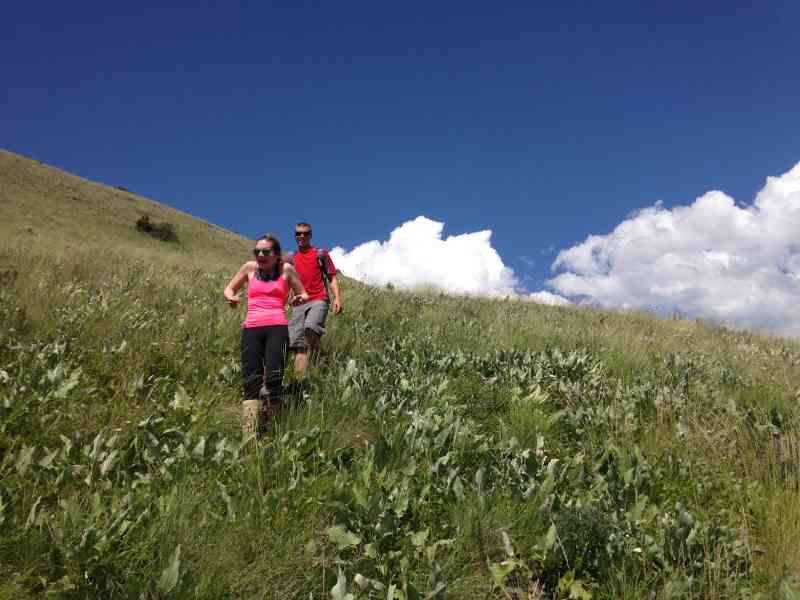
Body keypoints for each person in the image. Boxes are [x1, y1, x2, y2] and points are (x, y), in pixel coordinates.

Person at [224, 234, 309, 435]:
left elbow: (304, 293)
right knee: (251, 380)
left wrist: (298, 299)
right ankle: (249, 435)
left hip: (277, 328)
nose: (260, 255)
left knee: (273, 378)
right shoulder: (249, 268)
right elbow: (229, 288)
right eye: (257, 252)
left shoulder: (286, 270)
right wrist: (231, 297)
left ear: (276, 255)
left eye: (265, 252)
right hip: (251, 328)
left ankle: (270, 427)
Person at [287, 222, 343, 378]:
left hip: (319, 299)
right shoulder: (291, 259)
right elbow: (283, 280)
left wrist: (337, 298)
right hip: (299, 304)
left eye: (305, 233)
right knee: (297, 344)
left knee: (309, 329)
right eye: (298, 233)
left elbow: (331, 277)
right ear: (295, 236)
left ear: (310, 235)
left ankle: (315, 360)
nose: (302, 236)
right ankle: (300, 382)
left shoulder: (320, 254)